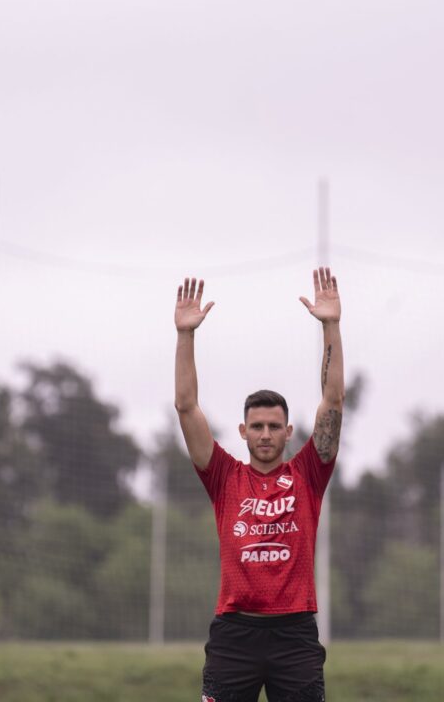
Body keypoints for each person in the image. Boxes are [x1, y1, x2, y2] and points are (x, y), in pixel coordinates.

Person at [174, 268, 344, 702]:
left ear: (289, 432)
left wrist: (331, 325)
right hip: (236, 633)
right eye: (256, 426)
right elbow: (186, 406)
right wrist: (186, 336)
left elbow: (334, 401)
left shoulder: (308, 473)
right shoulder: (224, 476)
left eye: (273, 426)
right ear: (242, 431)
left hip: (295, 634)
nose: (265, 434)